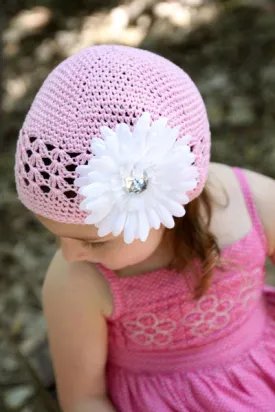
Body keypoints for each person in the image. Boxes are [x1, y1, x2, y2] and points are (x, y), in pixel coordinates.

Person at [15, 45, 275, 412]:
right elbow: (84, 399)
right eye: (55, 234)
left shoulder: (258, 205)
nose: (69, 254)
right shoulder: (77, 283)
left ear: (164, 197)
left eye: (97, 241)